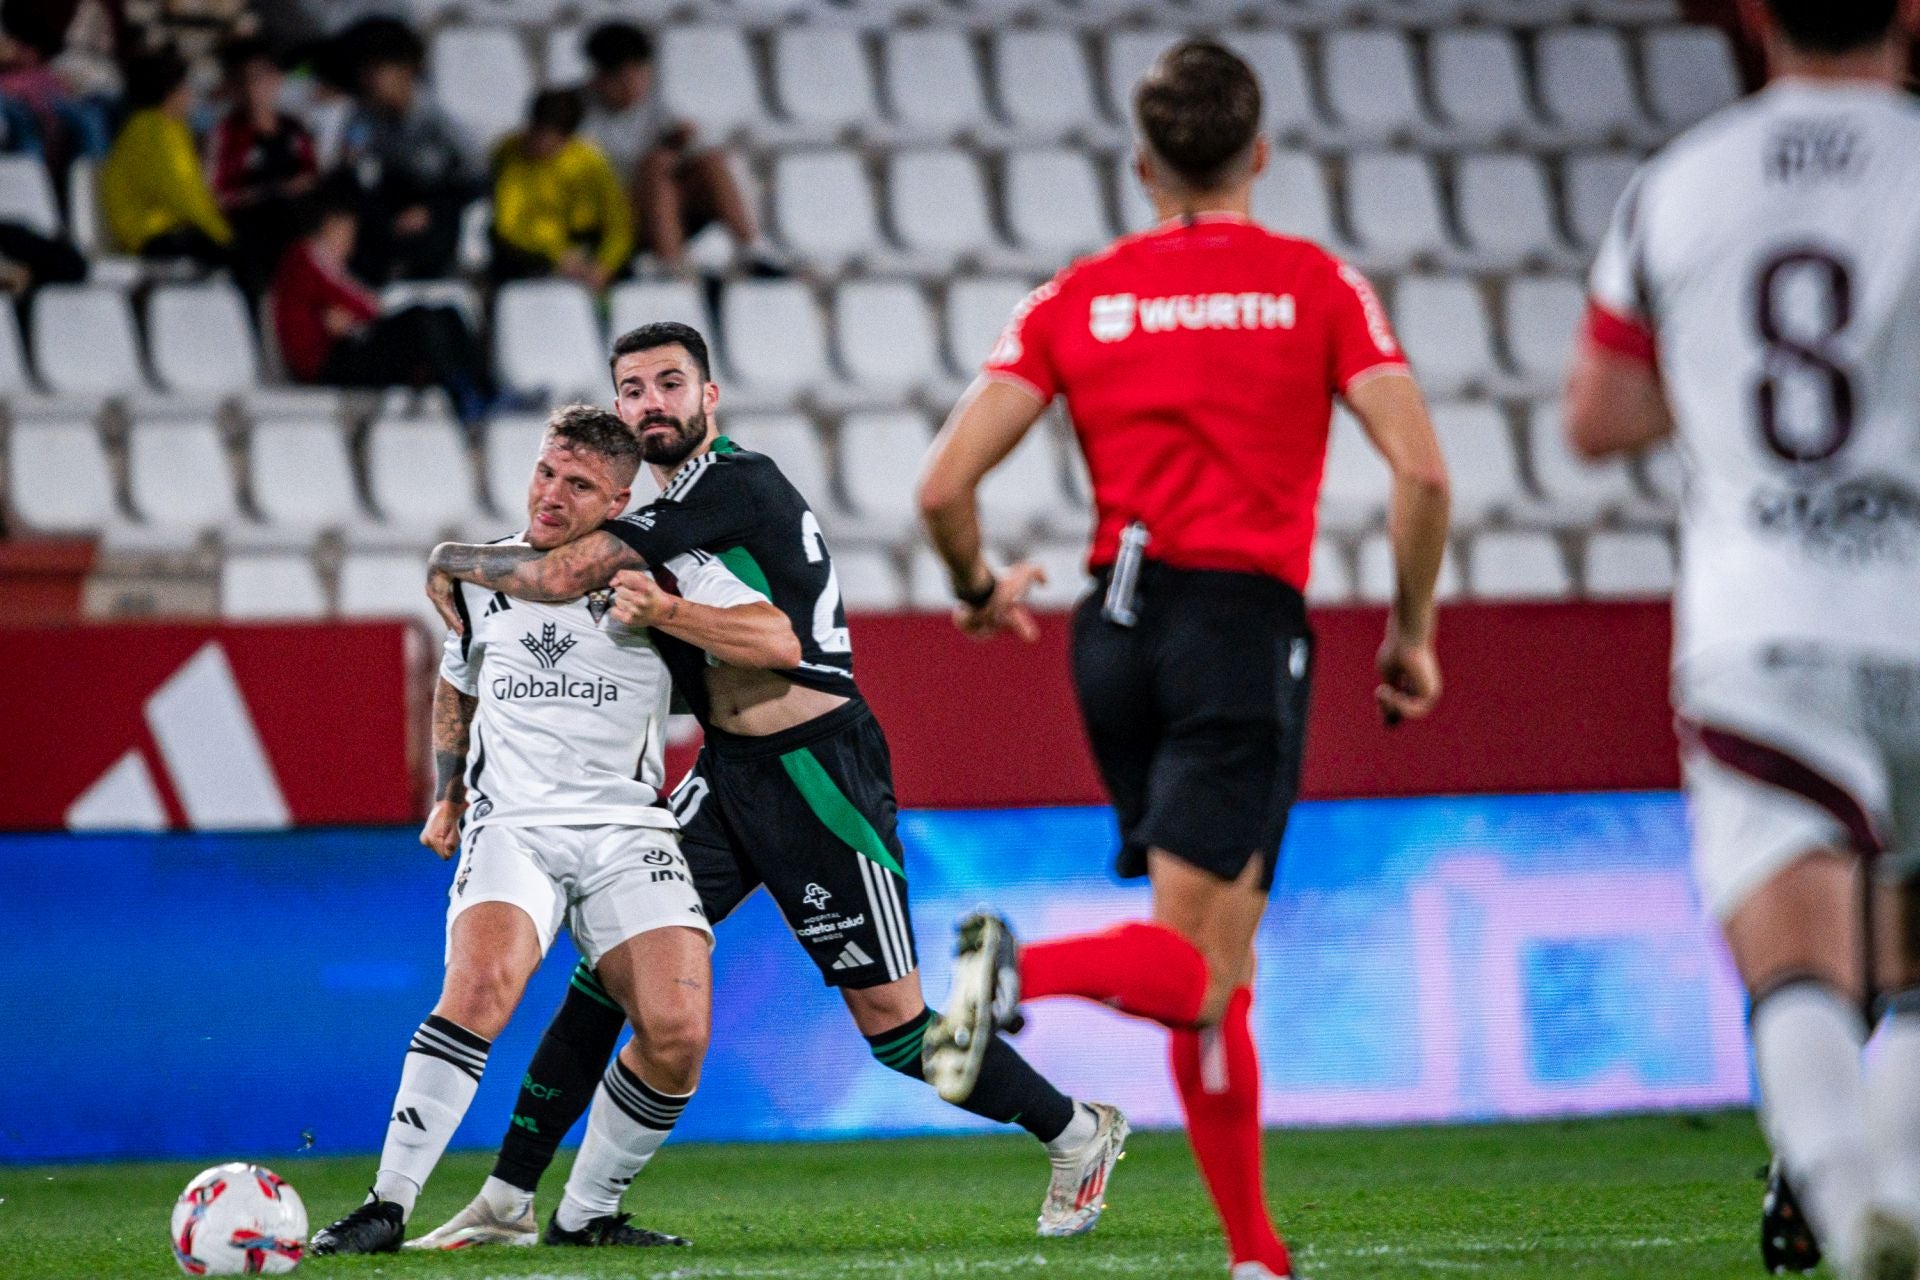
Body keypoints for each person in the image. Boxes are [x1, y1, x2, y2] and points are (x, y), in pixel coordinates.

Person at [406, 322, 1125, 1250]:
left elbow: (584, 582)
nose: (650, 402)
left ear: (711, 399)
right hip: (728, 772)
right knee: (604, 977)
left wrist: (452, 560)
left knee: (900, 1033)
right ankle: (519, 1202)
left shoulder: (729, 485)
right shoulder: (670, 515)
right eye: (632, 389)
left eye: (671, 383)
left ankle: (1076, 1130)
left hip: (818, 774)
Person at [915, 40, 1451, 1280]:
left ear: (1142, 165)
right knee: (1203, 966)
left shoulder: (1075, 296)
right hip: (1236, 628)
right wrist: (1411, 635)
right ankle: (1014, 970)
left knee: (1216, 962)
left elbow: (943, 485)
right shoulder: (1316, 285)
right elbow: (1421, 470)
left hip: (1115, 626)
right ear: (1259, 153)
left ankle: (1256, 1254)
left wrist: (979, 589)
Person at [1563, 2, 1920, 1278]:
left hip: (1763, 613)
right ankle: (1907, 1179)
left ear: (1758, 18)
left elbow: (1597, 415)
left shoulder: (1682, 183)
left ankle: (1835, 1188)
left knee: (1797, 955)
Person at [309, 404, 795, 1255]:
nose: (551, 496)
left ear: (617, 501)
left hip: (626, 829)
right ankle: (386, 1204)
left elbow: (778, 639)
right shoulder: (482, 572)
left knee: (678, 1035)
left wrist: (667, 615)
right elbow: (457, 678)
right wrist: (448, 791)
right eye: (545, 473)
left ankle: (585, 1212)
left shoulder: (667, 568)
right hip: (516, 825)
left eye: (578, 485)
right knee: (481, 988)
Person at [269, 188, 498, 426]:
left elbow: (351, 311)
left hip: (343, 351)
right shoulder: (309, 255)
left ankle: (480, 389)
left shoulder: (315, 262)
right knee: (419, 322)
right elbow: (367, 305)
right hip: (325, 367)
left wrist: (348, 319)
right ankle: (466, 396)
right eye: (348, 232)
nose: (350, 243)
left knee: (447, 313)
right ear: (330, 225)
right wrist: (351, 316)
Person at [578, 22, 780, 277]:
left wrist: (683, 142)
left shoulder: (654, 105)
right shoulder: (575, 113)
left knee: (710, 159)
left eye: (641, 76)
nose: (634, 88)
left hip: (662, 208)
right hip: (610, 217)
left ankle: (751, 248)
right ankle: (671, 266)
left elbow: (686, 144)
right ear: (599, 78)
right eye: (623, 80)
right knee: (656, 165)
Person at [339, 20, 477, 283]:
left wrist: (432, 211)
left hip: (439, 207)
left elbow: (475, 178)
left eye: (376, 70)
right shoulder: (363, 116)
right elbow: (353, 167)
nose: (366, 81)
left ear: (404, 71)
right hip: (389, 207)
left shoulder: (441, 118)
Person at [98, 46, 232, 268]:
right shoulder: (151, 130)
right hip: (149, 236)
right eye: (186, 87)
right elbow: (181, 192)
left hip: (170, 228)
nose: (191, 95)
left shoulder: (172, 128)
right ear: (171, 91)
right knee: (239, 254)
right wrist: (222, 234)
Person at [489, 88, 631, 289]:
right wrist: (556, 255)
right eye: (536, 133)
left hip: (584, 248)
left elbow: (619, 224)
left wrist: (604, 265)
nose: (539, 144)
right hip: (534, 252)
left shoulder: (590, 163)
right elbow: (507, 224)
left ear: (567, 138)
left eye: (548, 138)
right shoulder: (511, 155)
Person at [207, 35, 317, 294]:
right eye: (244, 80)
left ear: (277, 80)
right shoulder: (227, 135)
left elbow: (312, 177)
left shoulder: (294, 130)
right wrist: (269, 192)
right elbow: (219, 195)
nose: (254, 88)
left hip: (298, 224)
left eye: (261, 78)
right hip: (254, 229)